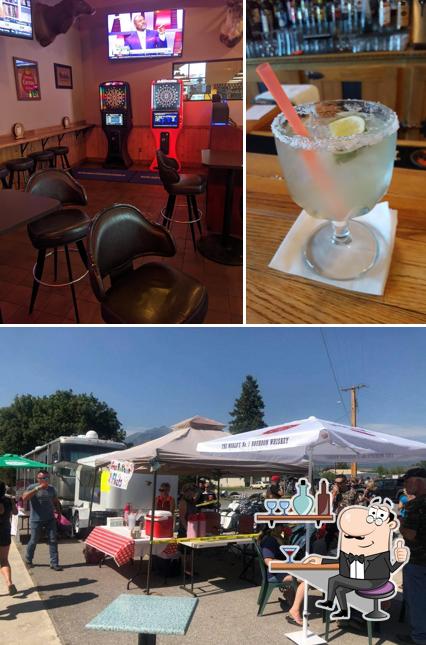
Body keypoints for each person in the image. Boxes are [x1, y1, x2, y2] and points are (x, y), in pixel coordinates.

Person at [306, 498, 408, 620]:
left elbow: (390, 569)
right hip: (361, 577)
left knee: (335, 581)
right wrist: (321, 560)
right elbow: (341, 561)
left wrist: (399, 560)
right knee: (339, 587)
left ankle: (334, 604)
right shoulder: (355, 547)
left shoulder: (378, 549)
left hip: (374, 581)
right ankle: (343, 611)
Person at [397, 467, 426, 645]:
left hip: (418, 559)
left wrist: (398, 524)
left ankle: (419, 637)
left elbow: (410, 534)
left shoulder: (418, 504)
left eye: (408, 482)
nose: (405, 486)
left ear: (419, 482)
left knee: (417, 600)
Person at [258, 525, 305, 626]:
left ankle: (289, 594)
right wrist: (290, 565)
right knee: (307, 579)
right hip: (276, 574)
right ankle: (294, 610)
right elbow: (268, 561)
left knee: (305, 574)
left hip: (282, 572)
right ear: (274, 527)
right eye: (281, 526)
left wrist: (287, 538)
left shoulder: (278, 538)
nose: (283, 528)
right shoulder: (270, 540)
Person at [22, 470, 63, 571]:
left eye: (46, 478)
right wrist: (38, 488)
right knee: (34, 540)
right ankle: (28, 560)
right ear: (38, 479)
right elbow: (24, 498)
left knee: (53, 540)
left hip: (50, 518)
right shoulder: (32, 487)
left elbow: (55, 501)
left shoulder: (51, 489)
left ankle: (54, 563)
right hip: (36, 519)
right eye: (42, 478)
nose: (44, 480)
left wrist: (59, 513)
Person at [0, 481, 18, 595]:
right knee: (4, 560)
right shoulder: (8, 500)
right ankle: (9, 583)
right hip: (5, 532)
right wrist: (12, 500)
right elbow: (15, 512)